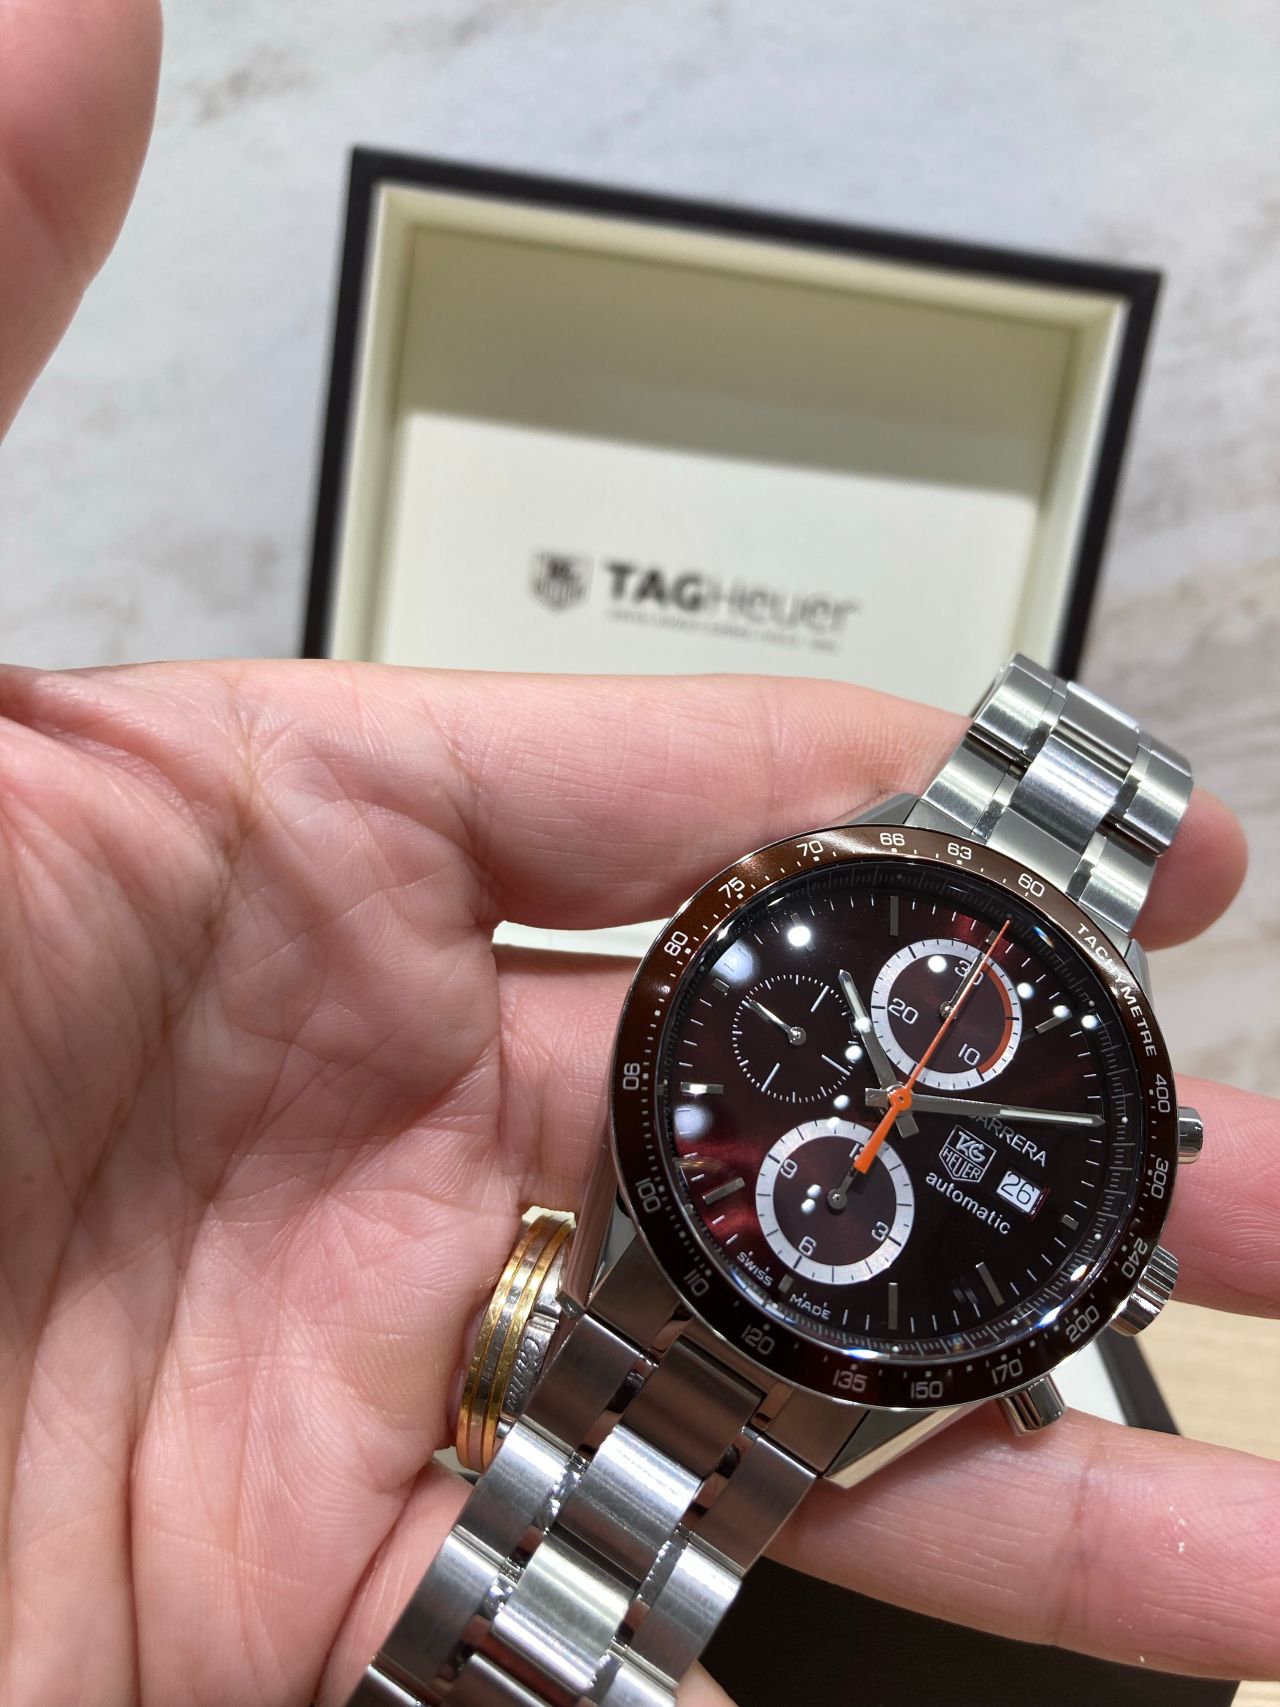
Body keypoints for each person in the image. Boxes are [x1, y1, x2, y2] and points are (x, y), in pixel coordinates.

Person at [2, 6, 1276, 1703]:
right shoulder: (738, 1021)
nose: (897, 1095)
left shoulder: (1010, 1218)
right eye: (896, 1046)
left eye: (933, 1079)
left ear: (1109, 1271)